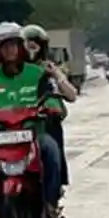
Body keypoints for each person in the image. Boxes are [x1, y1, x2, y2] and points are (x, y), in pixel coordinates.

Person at [0, 22, 65, 218]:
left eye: (13, 44)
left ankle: (51, 203)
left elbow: (50, 97)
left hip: (34, 134)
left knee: (52, 153)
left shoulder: (37, 74)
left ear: (21, 47)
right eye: (4, 46)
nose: (10, 50)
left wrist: (52, 107)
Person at [22, 24, 75, 200]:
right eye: (27, 42)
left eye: (35, 43)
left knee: (52, 146)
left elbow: (71, 95)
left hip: (42, 123)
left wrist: (57, 76)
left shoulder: (48, 69)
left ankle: (53, 192)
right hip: (16, 123)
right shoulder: (13, 70)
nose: (31, 47)